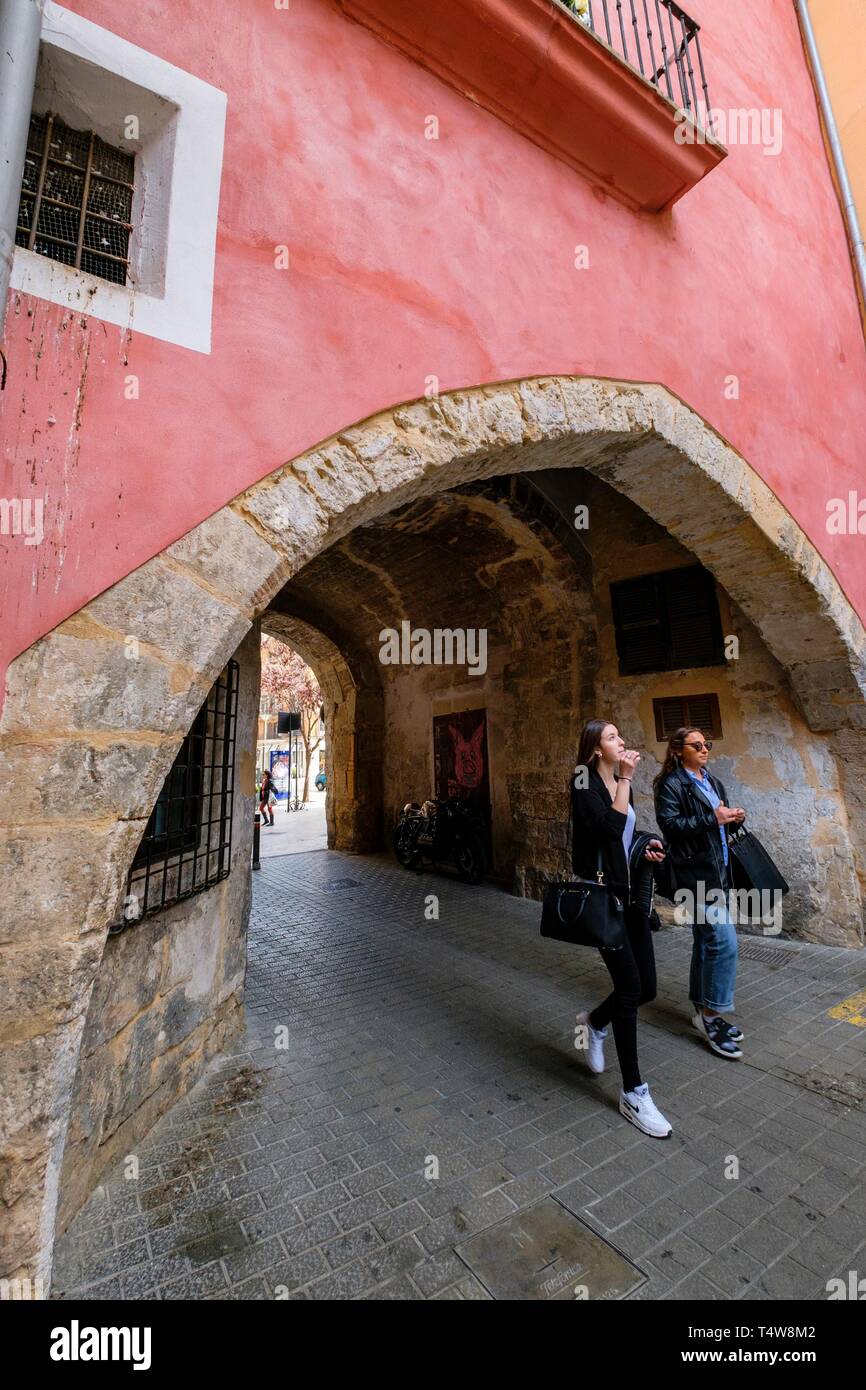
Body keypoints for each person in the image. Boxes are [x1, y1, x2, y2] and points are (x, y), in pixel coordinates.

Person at [571, 719, 672, 1139]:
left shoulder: (617, 781)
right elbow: (608, 830)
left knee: (647, 988)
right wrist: (626, 779)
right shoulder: (583, 781)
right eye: (612, 737)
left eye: (619, 736)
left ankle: (593, 1022)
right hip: (604, 901)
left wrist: (647, 844)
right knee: (630, 988)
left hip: (631, 900)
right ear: (596, 749)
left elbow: (627, 832)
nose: (622, 742)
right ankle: (634, 1092)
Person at [654, 728, 746, 1060]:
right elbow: (671, 826)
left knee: (706, 941)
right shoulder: (671, 784)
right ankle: (712, 1017)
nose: (705, 749)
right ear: (678, 751)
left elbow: (716, 825)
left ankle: (699, 1011)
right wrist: (713, 817)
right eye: (697, 745)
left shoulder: (711, 780)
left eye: (707, 744)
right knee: (724, 942)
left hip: (717, 871)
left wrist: (732, 819)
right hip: (693, 876)